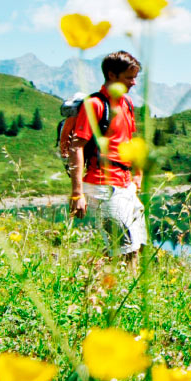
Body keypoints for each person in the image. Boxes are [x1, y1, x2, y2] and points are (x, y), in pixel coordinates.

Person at [67, 51, 146, 265]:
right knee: (124, 250)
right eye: (129, 77)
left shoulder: (127, 103)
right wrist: (77, 193)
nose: (134, 83)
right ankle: (114, 282)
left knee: (137, 245)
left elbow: (128, 141)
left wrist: (138, 173)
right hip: (103, 185)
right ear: (111, 75)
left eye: (135, 77)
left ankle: (99, 275)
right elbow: (77, 147)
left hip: (126, 185)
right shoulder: (95, 105)